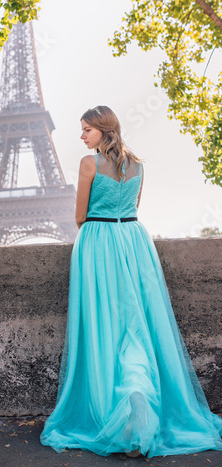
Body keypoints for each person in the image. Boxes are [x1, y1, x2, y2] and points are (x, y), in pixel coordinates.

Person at [40, 105, 222, 459]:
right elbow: (133, 206)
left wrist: (96, 229)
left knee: (104, 329)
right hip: (135, 242)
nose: (81, 136)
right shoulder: (138, 166)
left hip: (98, 242)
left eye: (86, 130)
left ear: (102, 130)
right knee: (138, 326)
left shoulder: (88, 163)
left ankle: (123, 418)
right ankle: (142, 416)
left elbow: (80, 215)